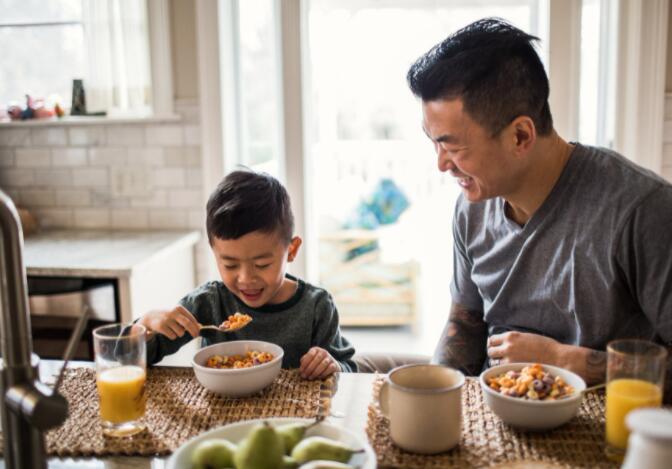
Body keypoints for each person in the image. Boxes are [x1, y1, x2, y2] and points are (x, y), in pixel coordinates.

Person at [407, 18, 672, 401]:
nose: (442, 164)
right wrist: (432, 398)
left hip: (603, 433)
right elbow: (464, 325)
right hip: (491, 422)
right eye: (433, 142)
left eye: (453, 146)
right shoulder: (472, 207)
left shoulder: (642, 211)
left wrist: (567, 360)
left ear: (521, 135)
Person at [138, 170, 356, 379]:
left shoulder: (317, 307)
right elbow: (125, 360)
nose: (245, 279)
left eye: (262, 264)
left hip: (296, 415)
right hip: (222, 413)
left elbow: (349, 371)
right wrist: (145, 325)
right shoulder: (209, 303)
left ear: (291, 250)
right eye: (230, 265)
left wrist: (330, 365)